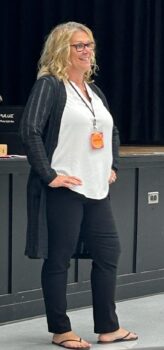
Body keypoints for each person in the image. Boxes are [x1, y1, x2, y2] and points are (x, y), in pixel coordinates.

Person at [20, 21, 138, 349]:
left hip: (96, 189)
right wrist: (50, 175)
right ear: (62, 50)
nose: (87, 50)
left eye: (89, 45)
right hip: (64, 189)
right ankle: (61, 330)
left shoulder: (93, 91)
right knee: (58, 259)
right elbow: (29, 130)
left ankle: (108, 328)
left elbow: (110, 132)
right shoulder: (51, 86)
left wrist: (111, 165)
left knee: (108, 253)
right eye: (79, 45)